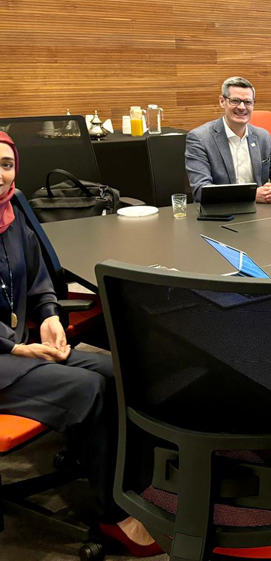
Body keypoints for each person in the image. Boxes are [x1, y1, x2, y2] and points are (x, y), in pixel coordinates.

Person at [0, 133, 159, 556]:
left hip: (20, 349)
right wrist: (16, 348)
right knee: (88, 388)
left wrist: (49, 314)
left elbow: (37, 278)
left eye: (6, 165)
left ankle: (134, 486)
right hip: (5, 357)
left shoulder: (12, 214)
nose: (0, 175)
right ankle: (113, 514)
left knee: (118, 373)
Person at [185, 77, 271, 203]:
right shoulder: (200, 138)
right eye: (235, 101)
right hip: (219, 212)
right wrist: (250, 195)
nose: (242, 107)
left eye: (248, 102)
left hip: (261, 211)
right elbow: (201, 190)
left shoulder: (263, 137)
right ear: (222, 101)